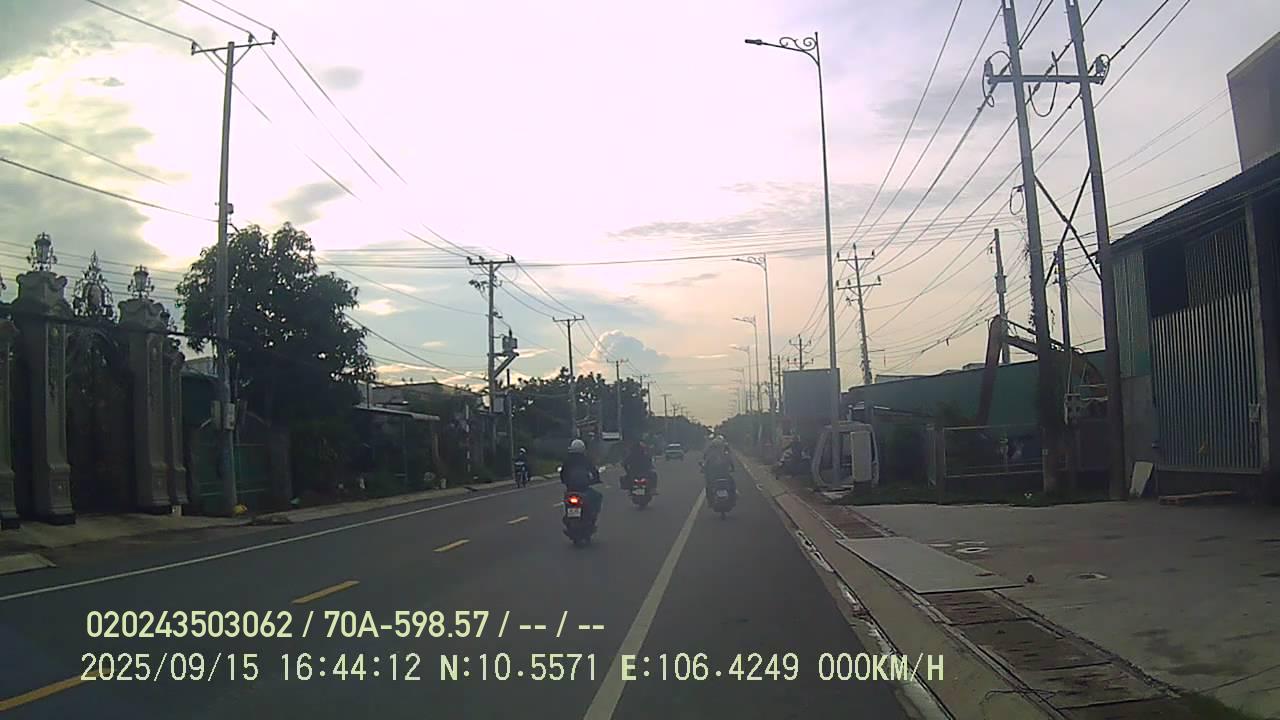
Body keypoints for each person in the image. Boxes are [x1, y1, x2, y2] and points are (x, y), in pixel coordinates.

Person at [560, 438, 602, 518]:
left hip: (571, 489)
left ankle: (568, 515)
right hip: (583, 489)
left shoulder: (567, 461)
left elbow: (563, 474)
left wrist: (565, 481)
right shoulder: (586, 460)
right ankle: (592, 515)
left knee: (566, 499)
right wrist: (596, 479)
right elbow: (594, 471)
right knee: (598, 496)